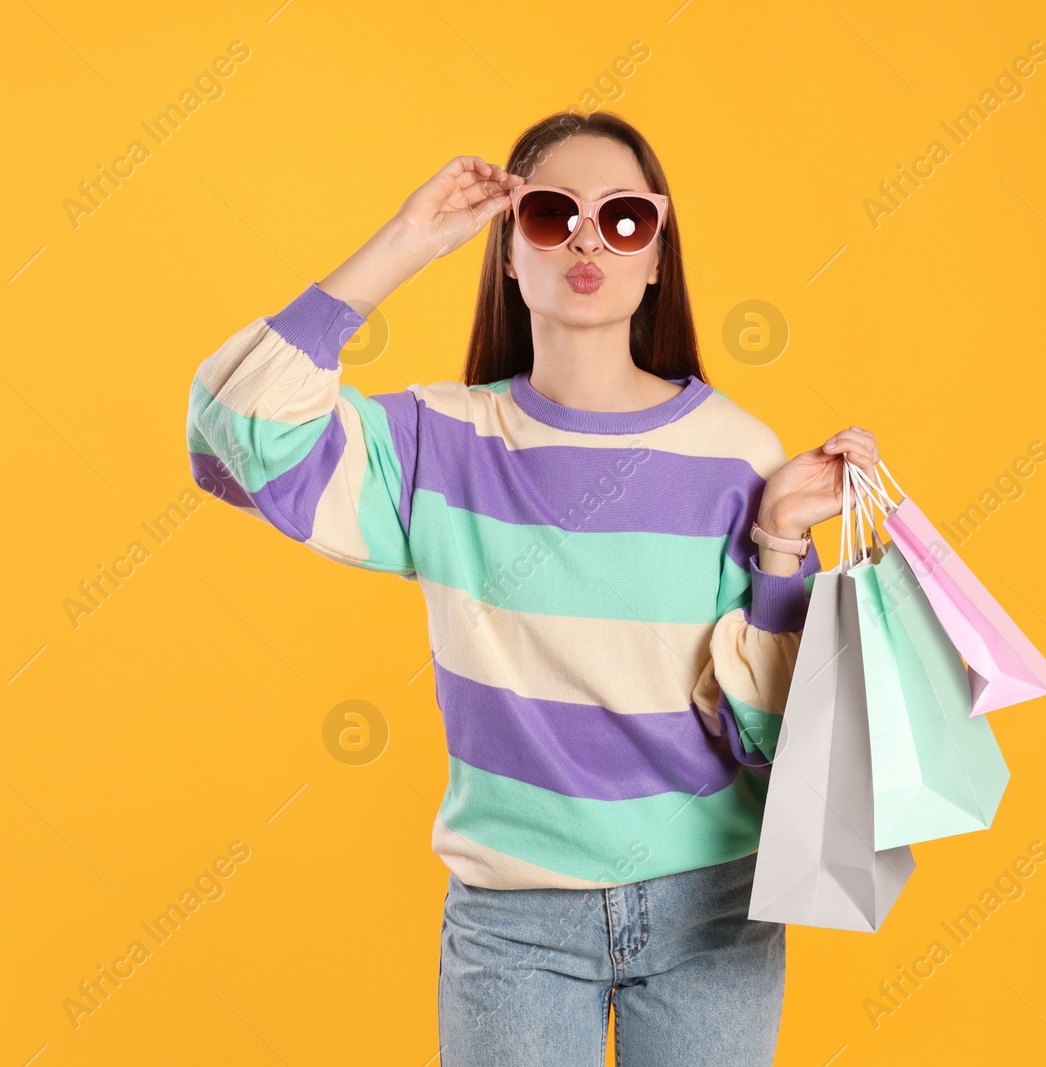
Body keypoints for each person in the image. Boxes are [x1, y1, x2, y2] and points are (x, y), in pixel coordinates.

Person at [185, 110, 882, 1065]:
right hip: (514, 923)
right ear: (510, 251)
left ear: (656, 250)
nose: (589, 238)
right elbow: (240, 420)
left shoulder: (737, 451)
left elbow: (770, 742)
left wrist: (778, 543)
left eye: (624, 219)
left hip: (712, 908)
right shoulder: (439, 445)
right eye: (553, 214)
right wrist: (406, 241)